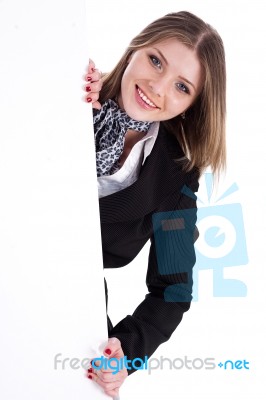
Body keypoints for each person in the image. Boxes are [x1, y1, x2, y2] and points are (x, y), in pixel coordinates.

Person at [84, 10, 226, 398]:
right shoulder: (74, 90)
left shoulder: (176, 182)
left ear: (192, 105)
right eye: (156, 60)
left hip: (65, 304)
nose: (158, 87)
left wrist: (127, 352)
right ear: (136, 48)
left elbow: (172, 290)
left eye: (182, 87)